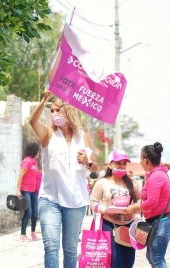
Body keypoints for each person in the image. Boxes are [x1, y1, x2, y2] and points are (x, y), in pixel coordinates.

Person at [29, 90, 98, 268]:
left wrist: (88, 162)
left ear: (68, 111)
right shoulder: (48, 134)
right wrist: (44, 99)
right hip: (50, 199)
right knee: (51, 248)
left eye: (57, 110)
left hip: (75, 201)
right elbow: (32, 121)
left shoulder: (82, 137)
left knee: (70, 249)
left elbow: (95, 167)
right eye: (51, 111)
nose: (54, 114)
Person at [125, 142, 170, 268]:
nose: (140, 162)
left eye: (141, 158)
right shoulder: (155, 174)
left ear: (146, 160)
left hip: (162, 222)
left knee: (157, 259)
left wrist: (134, 208)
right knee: (152, 257)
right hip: (157, 221)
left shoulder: (156, 176)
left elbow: (152, 202)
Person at [90, 149, 140, 268]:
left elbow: (139, 201)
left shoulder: (132, 183)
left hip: (128, 226)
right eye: (118, 163)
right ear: (111, 164)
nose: (121, 166)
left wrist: (134, 211)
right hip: (108, 225)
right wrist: (105, 210)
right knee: (115, 261)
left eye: (124, 163)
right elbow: (93, 203)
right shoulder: (102, 183)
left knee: (128, 262)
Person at [16, 142, 41, 241]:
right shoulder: (27, 161)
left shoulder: (34, 162)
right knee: (28, 212)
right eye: (38, 152)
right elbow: (21, 175)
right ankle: (22, 234)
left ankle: (33, 233)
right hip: (25, 190)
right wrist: (18, 190)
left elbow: (37, 172)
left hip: (33, 190)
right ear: (34, 151)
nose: (38, 154)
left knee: (35, 212)